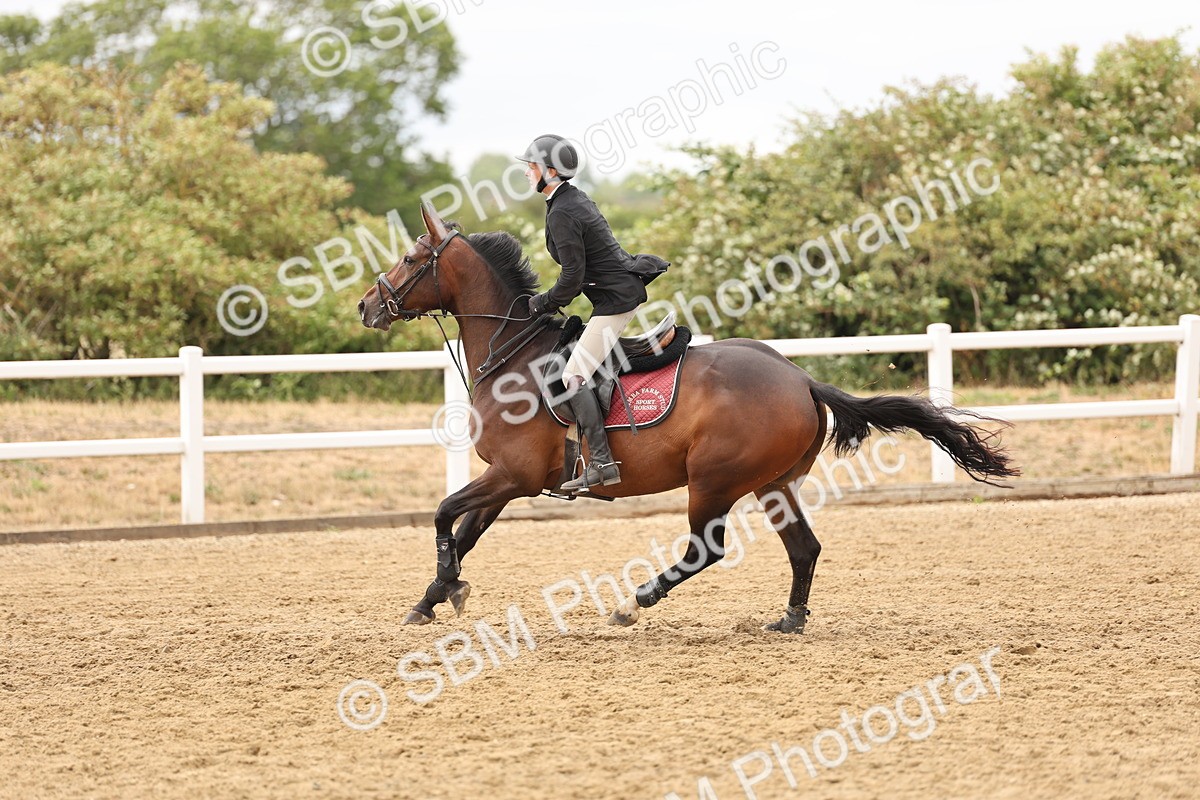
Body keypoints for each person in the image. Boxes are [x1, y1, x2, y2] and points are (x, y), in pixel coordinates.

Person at [517, 134, 648, 493]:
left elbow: (572, 278)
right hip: (612, 296)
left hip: (615, 301)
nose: (527, 173)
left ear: (552, 172)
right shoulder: (566, 201)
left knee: (573, 375)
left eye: (532, 167)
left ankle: (602, 463)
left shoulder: (564, 210)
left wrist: (542, 302)